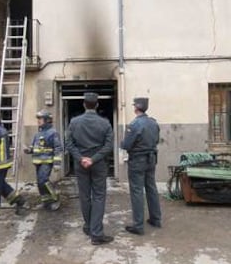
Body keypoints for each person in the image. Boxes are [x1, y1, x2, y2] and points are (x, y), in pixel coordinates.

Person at [65, 92, 114, 245]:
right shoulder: (105, 123)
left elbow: (69, 143)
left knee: (84, 196)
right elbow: (109, 146)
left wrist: (81, 159)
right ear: (97, 105)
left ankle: (88, 226)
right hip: (98, 163)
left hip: (81, 164)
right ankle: (97, 233)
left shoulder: (74, 122)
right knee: (99, 196)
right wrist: (93, 159)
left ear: (84, 104)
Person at [121, 97, 162, 235]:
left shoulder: (134, 125)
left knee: (137, 191)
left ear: (136, 107)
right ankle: (156, 219)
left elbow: (126, 145)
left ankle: (138, 225)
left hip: (138, 160)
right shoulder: (153, 123)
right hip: (151, 159)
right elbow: (156, 140)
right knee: (151, 187)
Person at [24, 109, 63, 211]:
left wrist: (57, 163)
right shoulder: (38, 134)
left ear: (47, 120)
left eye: (40, 119)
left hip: (47, 161)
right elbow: (34, 148)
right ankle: (46, 202)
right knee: (39, 183)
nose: (38, 121)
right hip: (38, 162)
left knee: (43, 181)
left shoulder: (53, 133)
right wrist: (28, 150)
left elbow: (58, 148)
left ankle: (55, 198)